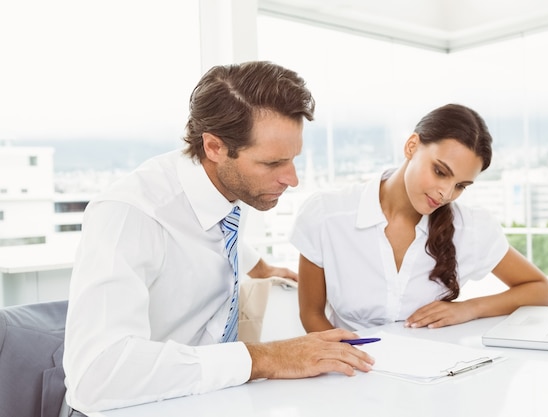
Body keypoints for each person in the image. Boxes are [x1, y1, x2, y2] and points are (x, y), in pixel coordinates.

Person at [62, 61, 374, 415]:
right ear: (213, 147)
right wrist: (267, 358)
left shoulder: (221, 192)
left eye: (292, 160)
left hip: (206, 399)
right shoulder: (130, 214)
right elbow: (96, 375)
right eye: (272, 164)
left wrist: (262, 266)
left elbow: (213, 235)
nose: (292, 178)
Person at [290, 103, 548, 333]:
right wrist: (349, 358)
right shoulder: (327, 215)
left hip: (435, 376)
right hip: (350, 373)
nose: (446, 193)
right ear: (412, 146)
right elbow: (311, 316)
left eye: (461, 186)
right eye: (440, 172)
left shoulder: (471, 228)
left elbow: (541, 289)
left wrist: (469, 309)